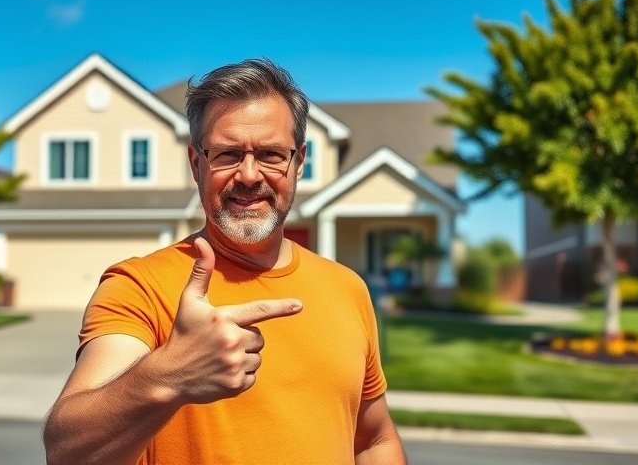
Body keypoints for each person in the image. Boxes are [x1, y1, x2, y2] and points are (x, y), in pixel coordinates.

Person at [43, 59, 408, 464]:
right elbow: (67, 453)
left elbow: (374, 440)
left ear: (299, 163)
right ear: (197, 164)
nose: (250, 175)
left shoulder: (347, 288)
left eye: (271, 154)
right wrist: (167, 376)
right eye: (227, 154)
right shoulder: (139, 286)